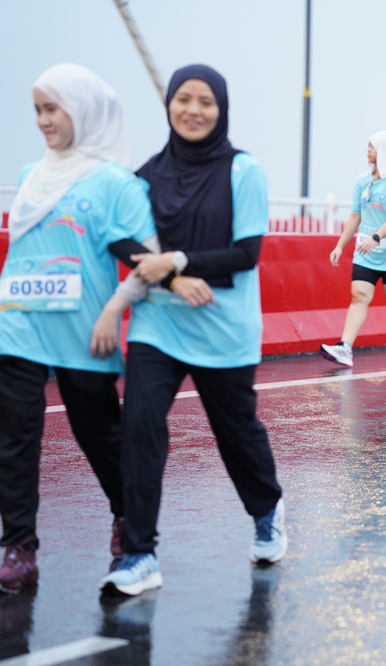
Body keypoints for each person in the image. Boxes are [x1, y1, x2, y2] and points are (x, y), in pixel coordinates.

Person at [100, 64, 286, 597]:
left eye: (206, 101)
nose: (194, 110)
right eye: (184, 99)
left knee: (235, 433)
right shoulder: (145, 177)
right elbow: (119, 238)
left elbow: (246, 253)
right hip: (158, 322)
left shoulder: (243, 170)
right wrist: (175, 279)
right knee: (139, 427)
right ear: (168, 105)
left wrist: (178, 260)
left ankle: (267, 509)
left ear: (221, 109)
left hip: (224, 328)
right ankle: (140, 554)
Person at [0, 64, 156, 593]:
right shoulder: (30, 175)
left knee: (98, 433)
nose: (42, 120)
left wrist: (113, 309)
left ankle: (126, 514)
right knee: (14, 436)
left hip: (86, 329)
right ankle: (18, 546)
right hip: (18, 323)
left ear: (84, 111)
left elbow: (149, 260)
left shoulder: (116, 183)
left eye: (53, 109)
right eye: (37, 110)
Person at [320, 131, 386, 369]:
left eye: (372, 146)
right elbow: (355, 216)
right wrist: (340, 245)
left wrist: (376, 237)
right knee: (359, 296)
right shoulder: (362, 180)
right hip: (366, 253)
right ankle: (345, 347)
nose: (368, 150)